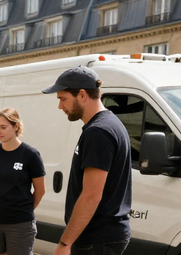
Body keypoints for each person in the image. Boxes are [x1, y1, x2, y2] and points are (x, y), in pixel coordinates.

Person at [42, 66, 132, 255]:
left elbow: (91, 196)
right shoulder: (109, 124)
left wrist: (64, 244)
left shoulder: (98, 132)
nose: (60, 106)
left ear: (82, 95)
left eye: (63, 99)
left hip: (97, 240)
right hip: (102, 238)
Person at [0, 108, 46, 255]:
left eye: (3, 127)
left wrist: (23, 210)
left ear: (16, 126)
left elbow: (40, 190)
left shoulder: (30, 154)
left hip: (20, 223)